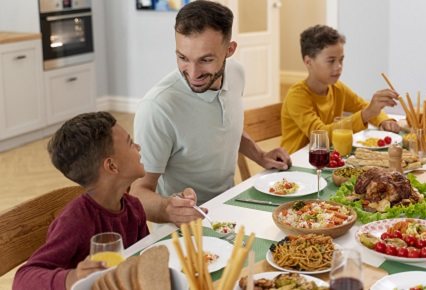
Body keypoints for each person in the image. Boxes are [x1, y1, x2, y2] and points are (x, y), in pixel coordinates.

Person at [131, 0, 291, 222]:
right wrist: (169, 209)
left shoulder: (236, 73)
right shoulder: (157, 108)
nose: (193, 73)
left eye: (206, 60)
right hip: (183, 229)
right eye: (183, 58)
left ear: (229, 50)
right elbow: (138, 191)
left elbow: (225, 126)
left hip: (231, 205)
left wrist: (260, 156)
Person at [13, 112, 149, 290]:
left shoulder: (133, 207)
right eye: (131, 143)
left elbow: (146, 257)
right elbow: (23, 279)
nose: (138, 147)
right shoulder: (75, 221)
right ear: (112, 166)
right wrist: (73, 277)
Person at [281, 25, 401, 154]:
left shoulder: (337, 88)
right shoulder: (297, 96)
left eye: (341, 60)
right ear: (308, 62)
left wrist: (384, 120)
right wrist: (366, 114)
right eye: (331, 61)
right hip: (295, 164)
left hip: (327, 158)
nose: (338, 66)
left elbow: (362, 105)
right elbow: (321, 137)